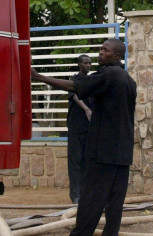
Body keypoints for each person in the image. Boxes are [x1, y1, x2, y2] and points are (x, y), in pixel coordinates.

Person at [31, 39, 136, 236]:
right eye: (101, 49)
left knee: (91, 200)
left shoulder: (108, 75)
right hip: (122, 153)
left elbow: (74, 86)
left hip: (103, 152)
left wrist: (38, 77)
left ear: (117, 56)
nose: (100, 53)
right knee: (115, 203)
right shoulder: (129, 80)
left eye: (106, 50)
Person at [67, 54, 94, 204]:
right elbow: (75, 95)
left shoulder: (92, 81)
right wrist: (86, 109)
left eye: (90, 63)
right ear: (79, 64)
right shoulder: (73, 80)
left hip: (89, 128)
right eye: (85, 63)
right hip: (76, 126)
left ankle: (84, 192)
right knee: (75, 161)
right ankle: (75, 194)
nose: (88, 65)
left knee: (86, 161)